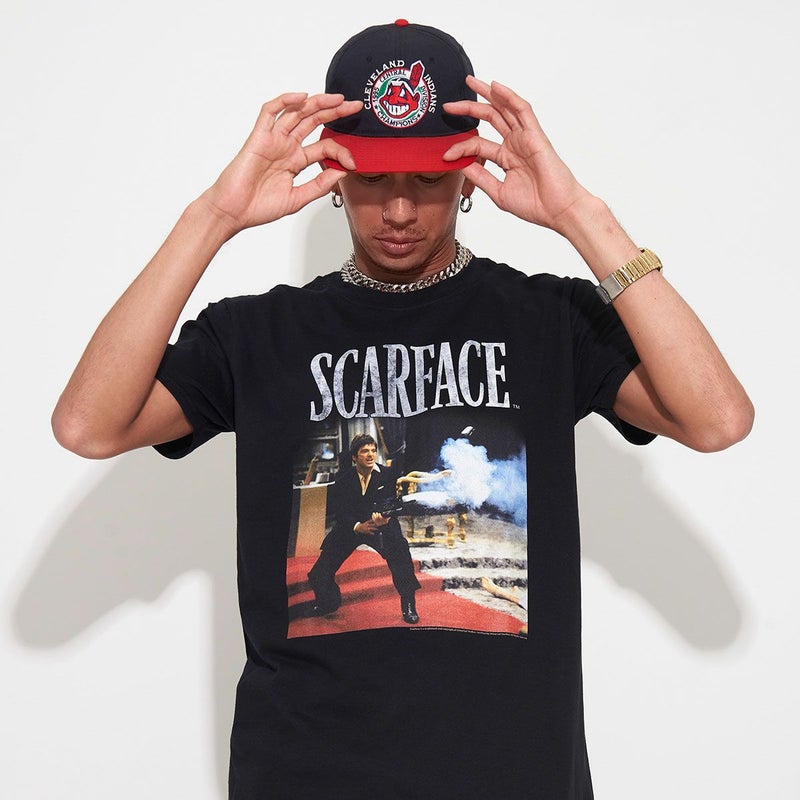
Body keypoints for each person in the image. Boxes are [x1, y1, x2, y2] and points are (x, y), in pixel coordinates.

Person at [51, 19, 753, 800]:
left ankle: (415, 599)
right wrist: (212, 215)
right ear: (334, 173)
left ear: (468, 176)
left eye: (426, 179)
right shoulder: (258, 334)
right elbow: (88, 425)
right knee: (329, 564)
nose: (398, 210)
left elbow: (717, 419)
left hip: (513, 780)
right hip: (304, 779)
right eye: (374, 179)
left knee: (398, 568)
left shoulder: (549, 322)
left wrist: (583, 216)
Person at [307, 434, 421, 623]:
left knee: (401, 556)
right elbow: (339, 509)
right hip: (351, 527)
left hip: (380, 526)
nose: (370, 455)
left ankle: (408, 605)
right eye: (364, 451)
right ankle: (329, 602)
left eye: (373, 451)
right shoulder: (343, 477)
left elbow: (393, 502)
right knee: (319, 573)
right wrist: (356, 526)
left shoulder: (388, 474)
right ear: (354, 457)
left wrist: (385, 517)